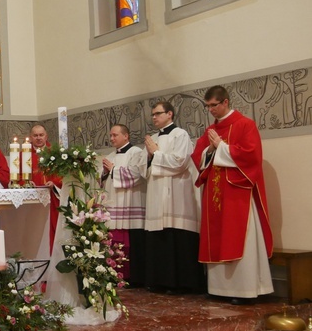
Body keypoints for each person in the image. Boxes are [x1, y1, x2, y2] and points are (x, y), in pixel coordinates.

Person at [192, 86, 273, 304]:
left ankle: (243, 290)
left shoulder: (245, 124)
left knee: (238, 236)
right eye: (207, 106)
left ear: (225, 102)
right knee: (216, 237)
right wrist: (210, 150)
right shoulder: (210, 129)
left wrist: (222, 147)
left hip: (237, 193)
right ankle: (219, 288)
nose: (211, 110)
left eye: (214, 105)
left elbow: (251, 156)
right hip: (215, 195)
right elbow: (198, 155)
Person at [143, 101, 205, 294]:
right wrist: (149, 157)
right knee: (158, 238)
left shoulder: (181, 134)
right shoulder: (152, 137)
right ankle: (160, 281)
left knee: (176, 237)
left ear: (170, 114)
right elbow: (143, 169)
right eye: (152, 114)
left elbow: (180, 162)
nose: (154, 117)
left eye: (158, 113)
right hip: (156, 192)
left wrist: (156, 153)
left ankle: (181, 283)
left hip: (176, 194)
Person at [100, 124, 147, 284]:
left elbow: (137, 174)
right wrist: (105, 173)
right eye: (111, 135)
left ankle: (132, 277)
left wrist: (113, 170)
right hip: (114, 203)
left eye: (115, 135)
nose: (112, 138)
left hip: (130, 202)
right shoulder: (111, 155)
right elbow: (104, 180)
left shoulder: (137, 153)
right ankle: (115, 275)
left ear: (126, 136)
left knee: (130, 242)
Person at [29, 123, 63, 253]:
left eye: (41, 135)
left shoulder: (56, 153)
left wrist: (54, 182)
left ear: (46, 136)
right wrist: (27, 183)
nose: (38, 138)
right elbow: (18, 175)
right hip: (32, 201)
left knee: (51, 228)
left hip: (52, 198)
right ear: (30, 137)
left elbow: (63, 174)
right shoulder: (23, 155)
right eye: (35, 135)